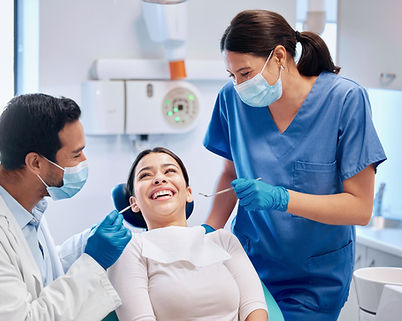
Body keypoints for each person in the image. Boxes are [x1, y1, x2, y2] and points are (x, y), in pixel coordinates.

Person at [203, 9, 387, 321]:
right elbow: (230, 173)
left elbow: (360, 208)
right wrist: (208, 234)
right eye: (232, 76)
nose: (239, 85)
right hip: (248, 268)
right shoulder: (231, 100)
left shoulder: (344, 100)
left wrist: (281, 198)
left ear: (278, 56)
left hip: (314, 281)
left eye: (245, 74)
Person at [0, 93, 132, 320]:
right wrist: (94, 261)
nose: (83, 162)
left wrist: (87, 243)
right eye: (76, 154)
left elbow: (37, 274)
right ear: (35, 163)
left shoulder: (22, 203)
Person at [108, 147, 268, 321]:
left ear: (188, 193)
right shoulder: (130, 249)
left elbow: (254, 307)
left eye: (170, 171)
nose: (159, 179)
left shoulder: (223, 240)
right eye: (145, 175)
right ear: (134, 203)